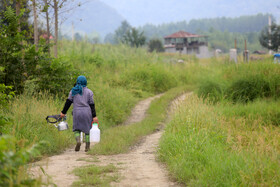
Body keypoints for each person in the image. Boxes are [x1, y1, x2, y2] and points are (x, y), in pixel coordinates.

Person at [60, 75, 98, 152]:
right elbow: (92, 104)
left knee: (76, 129)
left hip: (77, 112)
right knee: (87, 130)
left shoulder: (73, 91)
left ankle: (78, 141)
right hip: (87, 112)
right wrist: (94, 116)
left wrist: (63, 112)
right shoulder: (89, 92)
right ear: (85, 82)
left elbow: (68, 102)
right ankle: (87, 146)